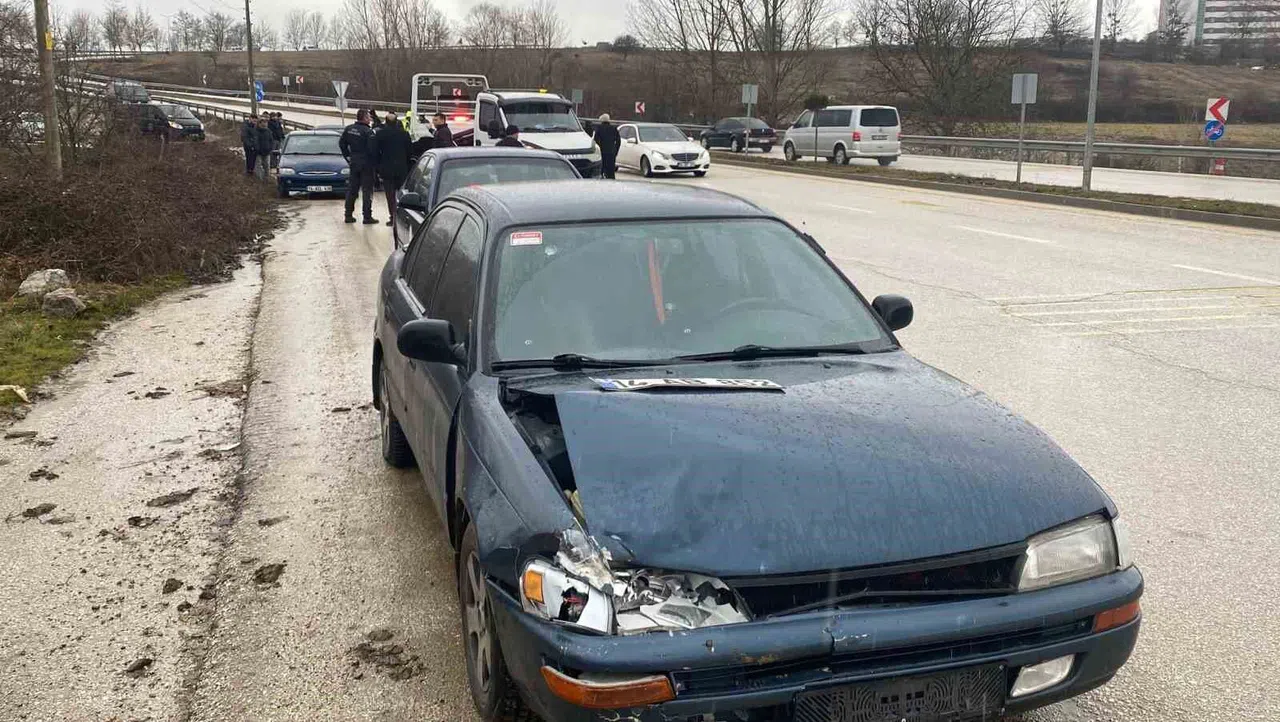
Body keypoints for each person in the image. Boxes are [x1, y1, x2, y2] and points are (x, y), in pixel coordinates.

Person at [372, 112, 412, 226]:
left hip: (386, 169)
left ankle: (393, 217)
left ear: (386, 121)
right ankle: (402, 216)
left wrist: (378, 166)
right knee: (402, 194)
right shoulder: (404, 134)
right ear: (396, 122)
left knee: (390, 195)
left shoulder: (380, 134)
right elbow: (409, 152)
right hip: (401, 169)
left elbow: (375, 152)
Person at [340, 109, 378, 224]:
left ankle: (348, 215)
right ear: (365, 118)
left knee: (352, 189)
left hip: (354, 162)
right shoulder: (368, 132)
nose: (370, 119)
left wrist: (347, 156)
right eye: (369, 117)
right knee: (367, 191)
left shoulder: (349, 129)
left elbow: (342, 144)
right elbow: (373, 150)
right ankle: (367, 216)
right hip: (366, 164)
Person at [593, 113, 621, 179]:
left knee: (601, 171)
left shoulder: (599, 129)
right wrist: (615, 151)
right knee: (611, 172)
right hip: (611, 153)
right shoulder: (614, 129)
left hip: (602, 153)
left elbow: (595, 141)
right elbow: (618, 141)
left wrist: (599, 151)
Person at [252, 116, 274, 181]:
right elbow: (255, 141)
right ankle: (259, 180)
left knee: (267, 166)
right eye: (263, 123)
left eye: (266, 123)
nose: (265, 124)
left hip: (267, 152)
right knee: (258, 166)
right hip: (258, 152)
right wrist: (257, 149)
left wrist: (270, 148)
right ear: (259, 123)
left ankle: (267, 179)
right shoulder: (256, 131)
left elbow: (271, 140)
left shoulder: (268, 131)